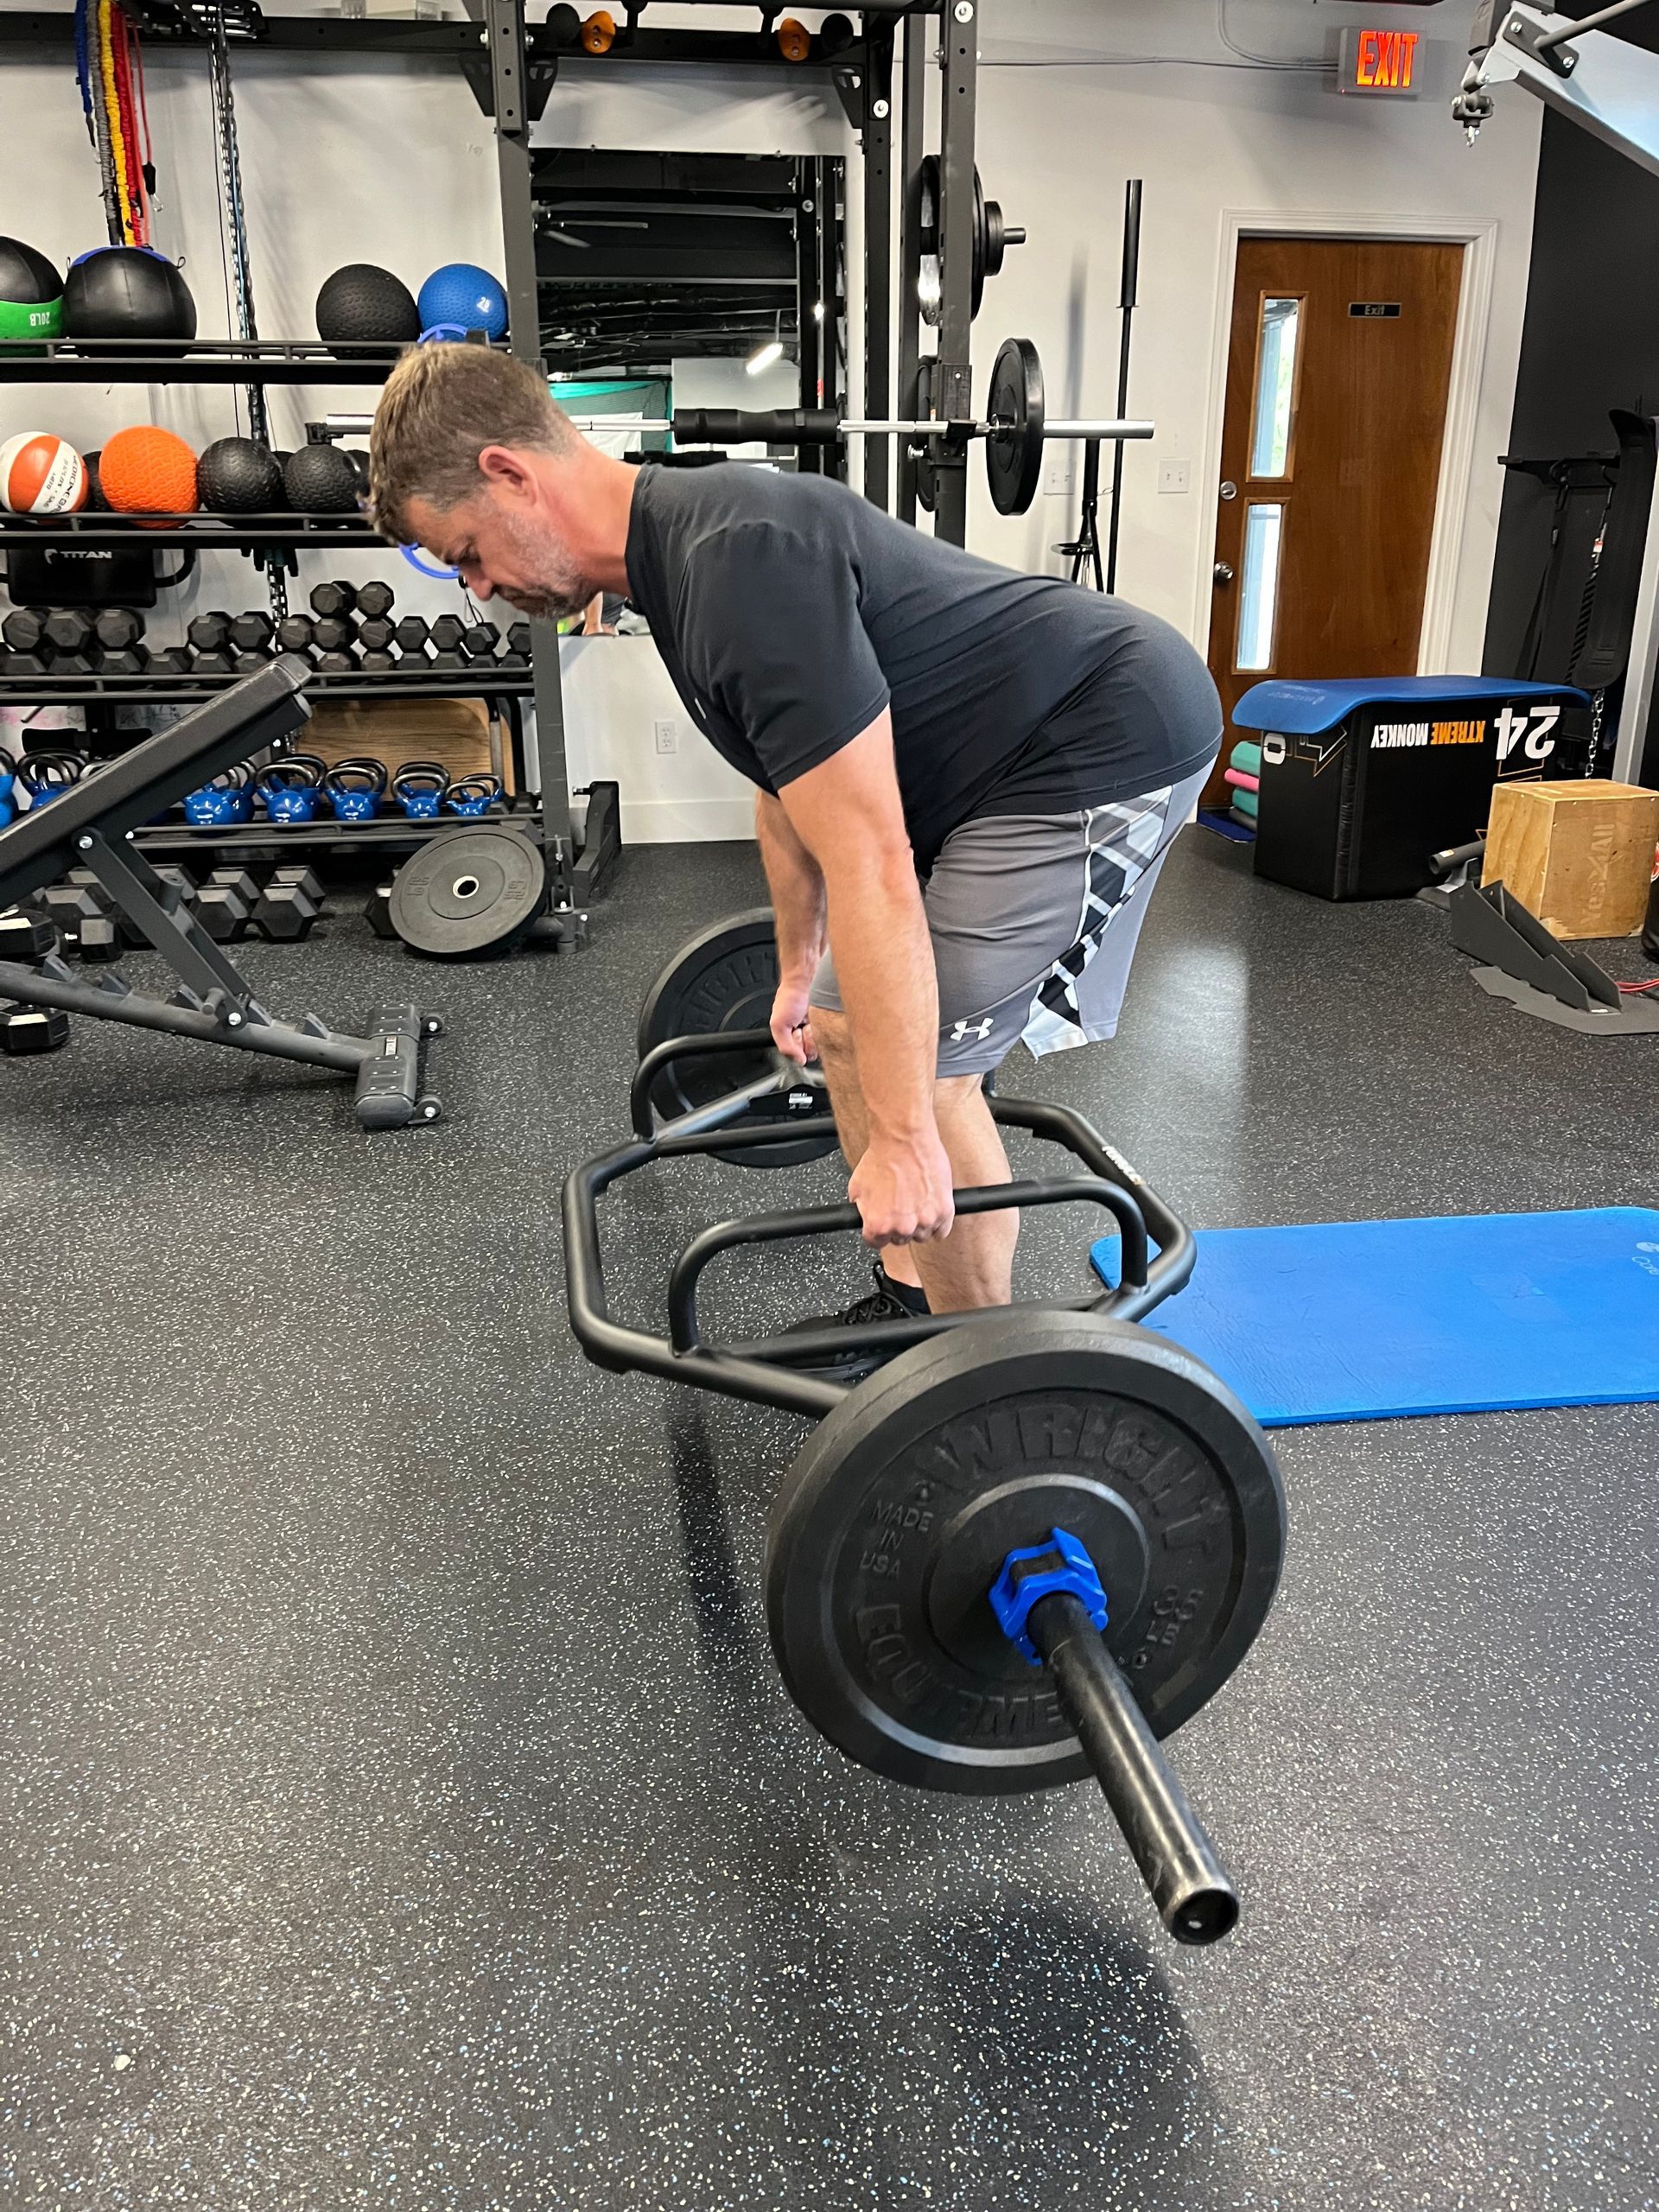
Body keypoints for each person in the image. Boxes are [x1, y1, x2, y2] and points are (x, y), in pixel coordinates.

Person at [369, 344, 1221, 1359]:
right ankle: (916, 1312)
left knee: (932, 1070)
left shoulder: (739, 560)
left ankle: (986, 1385)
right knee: (847, 1024)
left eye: (467, 553)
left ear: (511, 475)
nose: (479, 589)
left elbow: (872, 859)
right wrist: (795, 968)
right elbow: (784, 790)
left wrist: (905, 1136)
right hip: (984, 760)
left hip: (1098, 737)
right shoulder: (672, 564)